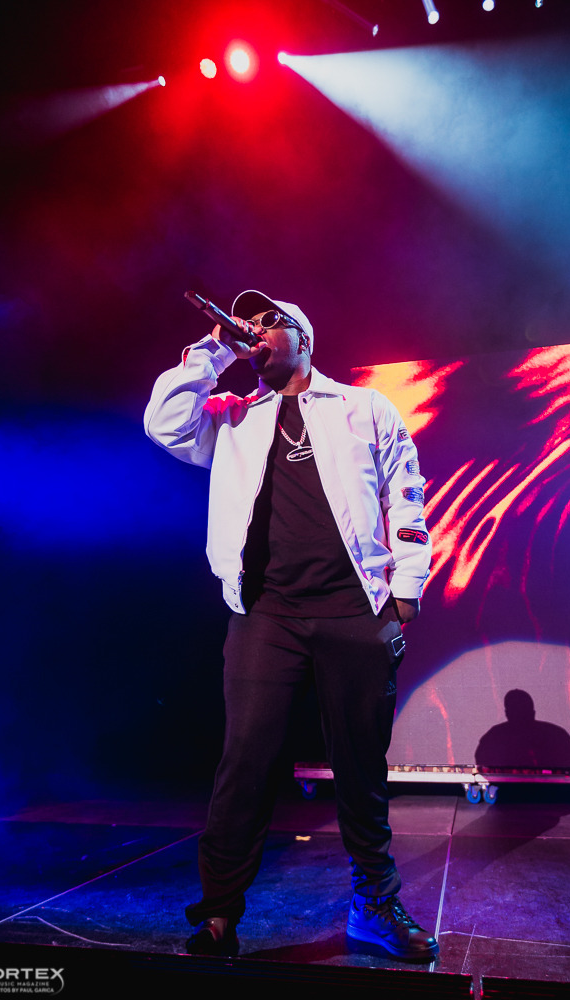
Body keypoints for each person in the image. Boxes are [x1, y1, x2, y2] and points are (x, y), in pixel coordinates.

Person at [144, 289, 437, 963]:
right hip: (265, 614)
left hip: (354, 610)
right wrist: (213, 351)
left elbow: (406, 489)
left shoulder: (363, 406)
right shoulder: (232, 416)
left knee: (360, 770)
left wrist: (406, 586)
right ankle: (219, 912)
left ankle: (374, 906)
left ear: (304, 337)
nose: (254, 331)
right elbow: (163, 423)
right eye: (246, 325)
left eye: (269, 322)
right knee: (244, 763)